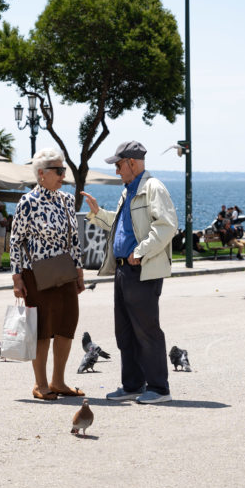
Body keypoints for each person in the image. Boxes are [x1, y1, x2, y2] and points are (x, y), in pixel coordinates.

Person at [81, 140, 178, 404]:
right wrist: (98, 214)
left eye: (119, 165)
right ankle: (133, 384)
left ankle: (159, 389)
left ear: (132, 163)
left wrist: (140, 251)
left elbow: (167, 226)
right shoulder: (129, 190)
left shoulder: (152, 188)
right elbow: (123, 227)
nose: (117, 171)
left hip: (141, 269)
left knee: (147, 331)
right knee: (125, 332)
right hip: (124, 271)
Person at [11, 148, 86, 401]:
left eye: (64, 170)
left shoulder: (65, 200)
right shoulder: (28, 202)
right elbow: (15, 242)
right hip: (36, 274)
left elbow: (74, 239)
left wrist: (79, 271)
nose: (63, 175)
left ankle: (59, 381)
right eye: (58, 170)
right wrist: (16, 277)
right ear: (41, 173)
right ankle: (40, 384)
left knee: (67, 326)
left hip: (63, 271)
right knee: (42, 330)